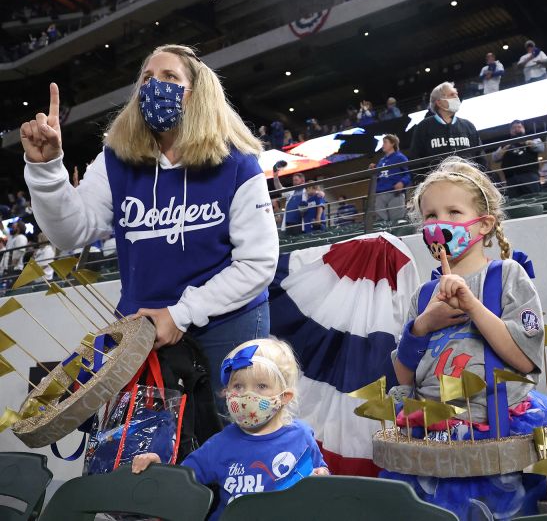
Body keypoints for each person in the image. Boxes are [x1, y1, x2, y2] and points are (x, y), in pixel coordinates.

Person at [20, 45, 278, 399]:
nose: (155, 86)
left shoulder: (238, 162)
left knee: (226, 439)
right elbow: (70, 232)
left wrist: (180, 314)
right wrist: (46, 169)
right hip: (142, 327)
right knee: (143, 446)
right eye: (147, 78)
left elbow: (257, 263)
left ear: (197, 93)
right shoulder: (116, 158)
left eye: (170, 77)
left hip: (227, 322)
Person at [386, 157, 547, 520]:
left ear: (485, 223)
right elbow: (403, 378)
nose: (439, 224)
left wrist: (473, 306)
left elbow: (526, 361)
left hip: (494, 429)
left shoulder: (508, 275)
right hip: (434, 434)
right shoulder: (423, 294)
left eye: (453, 212)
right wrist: (422, 326)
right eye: (430, 216)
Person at [132, 338, 329, 521]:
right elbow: (181, 481)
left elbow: (321, 475)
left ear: (284, 397)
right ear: (226, 393)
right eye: (238, 386)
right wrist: (158, 467)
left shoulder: (301, 436)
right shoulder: (220, 445)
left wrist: (322, 476)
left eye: (261, 386)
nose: (247, 395)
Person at [408, 82, 485, 170]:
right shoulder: (423, 127)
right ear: (439, 102)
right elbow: (414, 159)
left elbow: (481, 157)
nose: (456, 97)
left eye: (456, 94)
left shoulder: (468, 126)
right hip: (437, 182)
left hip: (468, 181)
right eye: (452, 95)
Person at [491, 120, 544, 197]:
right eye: (514, 128)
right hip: (511, 179)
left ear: (524, 129)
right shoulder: (506, 143)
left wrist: (528, 143)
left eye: (519, 127)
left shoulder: (531, 138)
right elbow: (494, 158)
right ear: (510, 131)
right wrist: (504, 149)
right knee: (516, 204)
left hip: (529, 176)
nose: (516, 129)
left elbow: (541, 148)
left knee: (534, 199)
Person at [369, 134, 410, 222]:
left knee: (396, 221)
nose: (383, 145)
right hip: (380, 195)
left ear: (393, 144)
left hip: (395, 194)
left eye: (385, 142)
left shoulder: (400, 157)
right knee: (381, 222)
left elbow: (408, 174)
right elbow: (380, 176)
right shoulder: (381, 161)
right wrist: (374, 169)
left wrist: (402, 182)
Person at [273, 168, 307, 236]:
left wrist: (319, 192)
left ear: (302, 181)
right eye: (293, 180)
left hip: (299, 223)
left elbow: (315, 192)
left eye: (296, 180)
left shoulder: (306, 192)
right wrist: (275, 177)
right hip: (287, 223)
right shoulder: (291, 191)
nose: (294, 182)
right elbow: (279, 188)